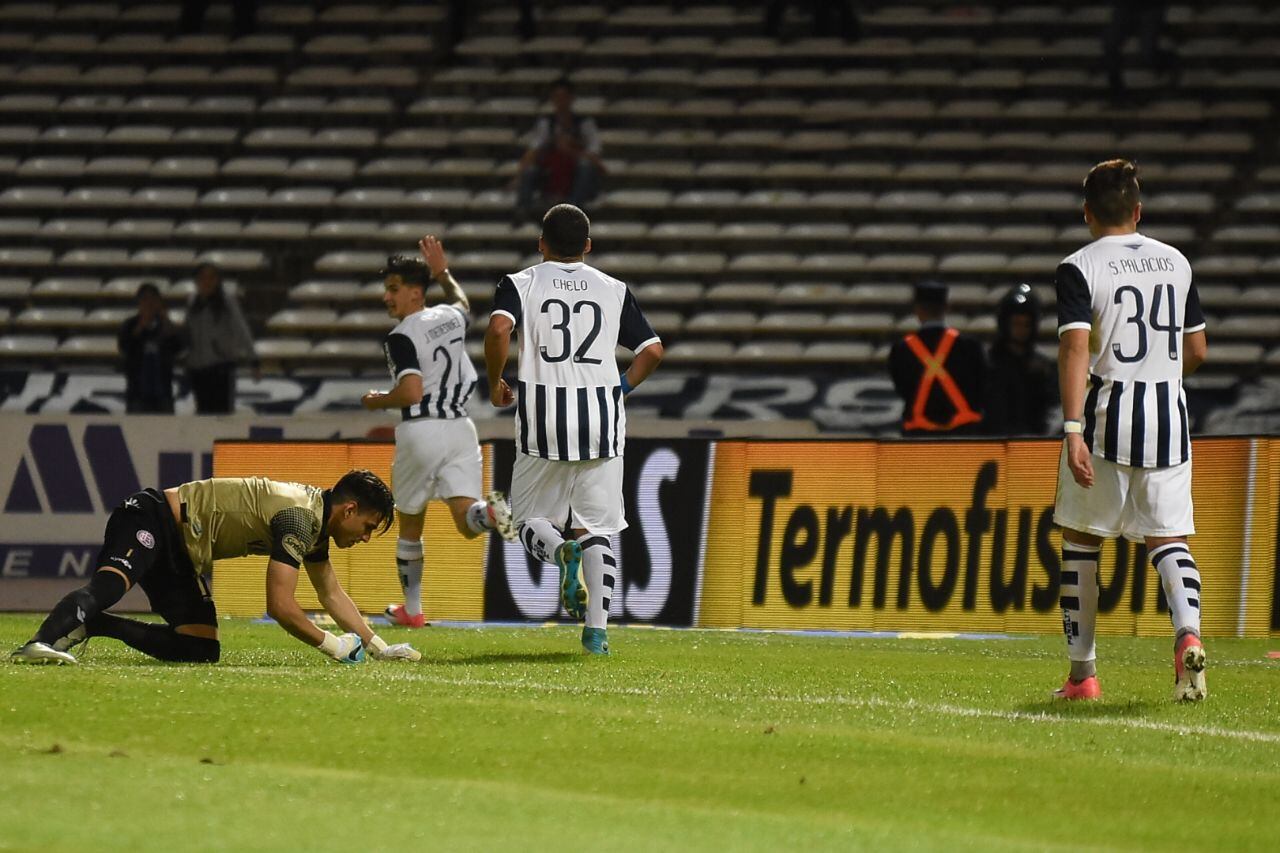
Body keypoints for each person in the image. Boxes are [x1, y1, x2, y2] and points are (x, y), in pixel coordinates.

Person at [1053, 159, 1208, 702]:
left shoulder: (1079, 266)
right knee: (1169, 540)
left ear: (1087, 212)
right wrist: (1158, 377)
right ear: (1139, 211)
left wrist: (1073, 428)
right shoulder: (1177, 261)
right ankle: (1187, 632)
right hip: (1170, 419)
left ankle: (1083, 676)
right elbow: (1196, 350)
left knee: (1081, 542)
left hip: (1106, 418)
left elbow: (1075, 346)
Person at [484, 204, 663, 655]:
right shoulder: (613, 288)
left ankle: (560, 552)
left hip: (543, 417)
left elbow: (499, 329)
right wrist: (621, 386)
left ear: (541, 243)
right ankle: (597, 635)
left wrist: (494, 384)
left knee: (527, 519)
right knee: (596, 527)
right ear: (587, 245)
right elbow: (653, 349)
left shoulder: (520, 283)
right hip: (602, 419)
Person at [11, 470, 420, 665]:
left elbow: (331, 593)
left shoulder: (315, 523)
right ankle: (39, 643)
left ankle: (97, 625)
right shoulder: (300, 518)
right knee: (111, 585)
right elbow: (280, 606)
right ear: (349, 509)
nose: (365, 538)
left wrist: (379, 648)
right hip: (153, 517)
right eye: (367, 527)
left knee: (201, 647)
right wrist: (333, 645)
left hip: (183, 551)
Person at [361, 238, 517, 629]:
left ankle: (412, 610)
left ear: (415, 293)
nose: (386, 297)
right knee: (467, 523)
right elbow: (464, 303)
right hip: (462, 427)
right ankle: (494, 511)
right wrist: (444, 273)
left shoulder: (400, 337)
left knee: (410, 520)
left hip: (422, 428)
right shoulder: (449, 316)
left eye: (394, 289)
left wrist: (377, 400)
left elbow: (411, 391)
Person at [888, 281, 986, 436]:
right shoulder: (969, 346)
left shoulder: (902, 349)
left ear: (917, 309)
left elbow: (902, 388)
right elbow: (980, 385)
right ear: (947, 307)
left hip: (919, 434)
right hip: (964, 434)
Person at [513, 80, 605, 223]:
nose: (560, 101)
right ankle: (523, 211)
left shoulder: (585, 123)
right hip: (552, 172)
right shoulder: (547, 124)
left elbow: (594, 156)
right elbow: (534, 150)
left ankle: (573, 208)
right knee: (530, 171)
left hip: (576, 173)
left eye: (564, 97)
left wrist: (570, 150)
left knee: (585, 167)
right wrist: (519, 176)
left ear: (571, 98)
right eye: (557, 97)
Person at [185, 261, 258, 414]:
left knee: (223, 414)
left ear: (218, 280)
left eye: (211, 278)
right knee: (203, 413)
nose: (207, 282)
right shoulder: (192, 302)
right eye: (202, 278)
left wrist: (253, 359)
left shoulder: (227, 301)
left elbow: (241, 329)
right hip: (198, 369)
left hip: (221, 366)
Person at [984, 283, 1057, 436]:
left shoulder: (1043, 368)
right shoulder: (988, 365)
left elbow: (1051, 409)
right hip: (993, 444)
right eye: (1016, 323)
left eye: (1026, 324)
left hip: (1033, 444)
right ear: (1005, 324)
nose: (1021, 330)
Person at [118, 281, 185, 414]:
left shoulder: (166, 326)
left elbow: (178, 348)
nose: (149, 303)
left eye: (153, 299)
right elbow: (124, 348)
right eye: (144, 299)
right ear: (139, 302)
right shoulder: (130, 324)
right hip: (137, 392)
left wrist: (166, 323)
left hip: (163, 392)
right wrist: (140, 327)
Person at [1104, 0, 1173, 96]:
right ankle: (1117, 90)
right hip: (1125, 9)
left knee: (1148, 52)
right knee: (1110, 44)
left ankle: (1169, 61)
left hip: (1151, 8)